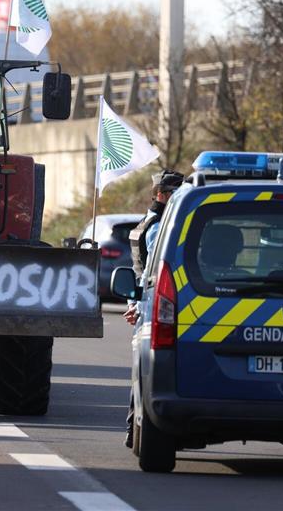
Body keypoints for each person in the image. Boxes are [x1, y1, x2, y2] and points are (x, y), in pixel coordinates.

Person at [123, 169, 185, 449]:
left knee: (141, 369)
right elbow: (149, 270)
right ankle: (137, 426)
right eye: (174, 193)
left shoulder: (146, 221)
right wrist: (137, 304)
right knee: (148, 371)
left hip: (143, 302)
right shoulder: (160, 227)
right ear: (161, 194)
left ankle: (134, 427)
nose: (179, 198)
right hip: (152, 304)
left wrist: (133, 302)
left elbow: (137, 272)